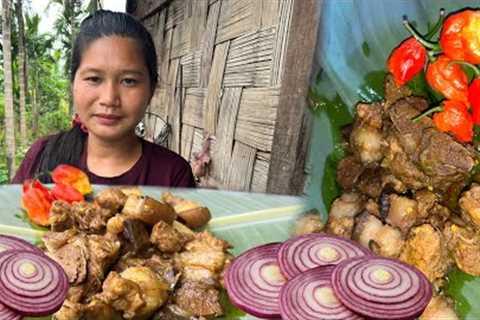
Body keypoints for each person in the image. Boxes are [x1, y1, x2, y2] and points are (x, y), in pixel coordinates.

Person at [12, 10, 195, 188]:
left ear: (151, 89)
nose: (109, 99)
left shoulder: (172, 175)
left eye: (129, 81)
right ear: (72, 84)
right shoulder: (42, 156)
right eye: (94, 79)